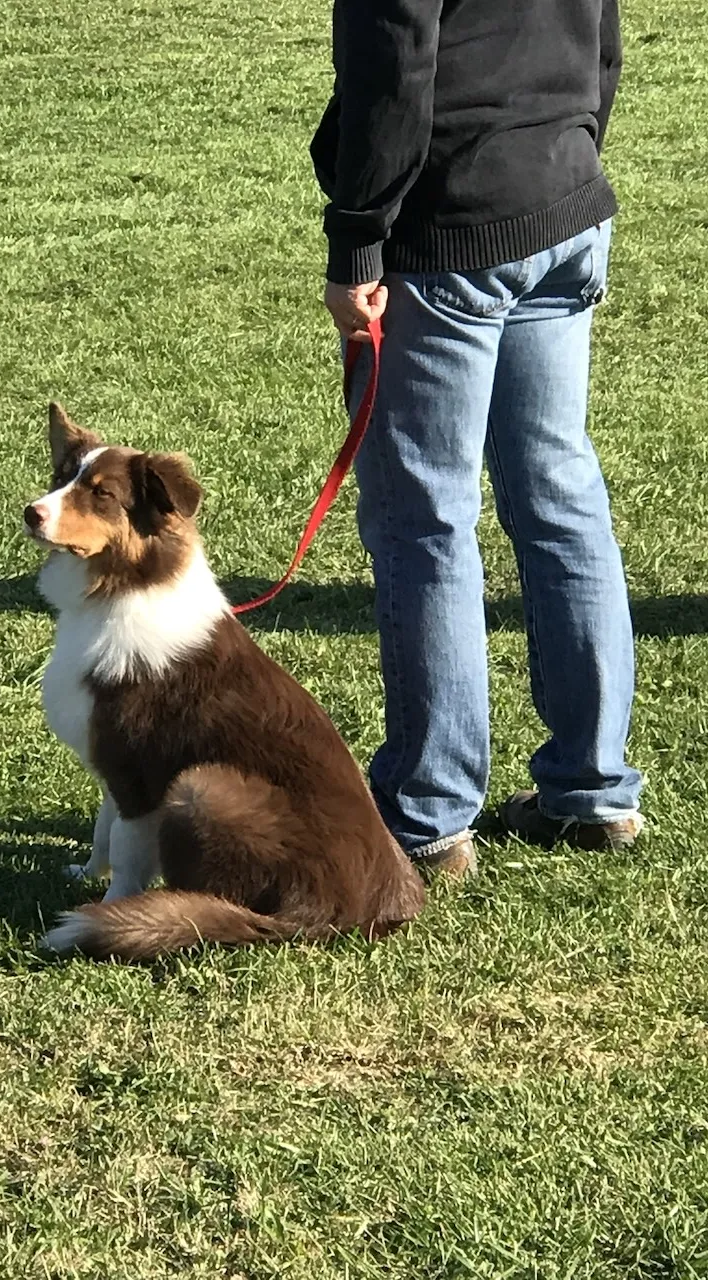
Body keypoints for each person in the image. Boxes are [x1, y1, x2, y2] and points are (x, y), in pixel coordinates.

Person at [311, 0, 643, 876]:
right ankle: (593, 784)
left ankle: (429, 809)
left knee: (426, 518)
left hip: (452, 219)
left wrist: (356, 238)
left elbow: (392, 54)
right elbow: (604, 35)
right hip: (562, 193)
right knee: (558, 492)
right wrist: (572, 142)